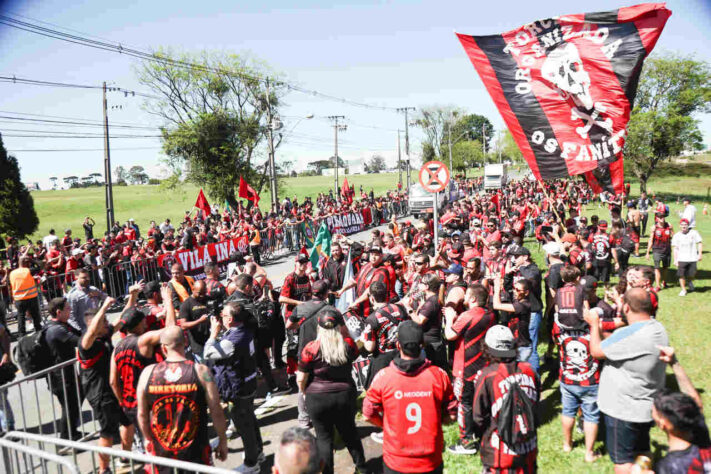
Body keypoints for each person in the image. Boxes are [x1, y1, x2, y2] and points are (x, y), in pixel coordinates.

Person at [584, 288, 669, 473]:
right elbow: (617, 344)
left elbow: (597, 351)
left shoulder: (631, 335)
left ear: (627, 308)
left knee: (623, 461)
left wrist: (593, 324)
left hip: (622, 410)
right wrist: (600, 330)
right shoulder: (656, 328)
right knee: (643, 450)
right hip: (646, 406)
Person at [363, 320, 457, 474]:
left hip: (396, 461)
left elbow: (367, 414)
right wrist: (435, 420)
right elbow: (452, 415)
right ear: (423, 344)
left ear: (398, 346)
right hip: (430, 461)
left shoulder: (383, 377)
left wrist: (384, 425)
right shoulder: (439, 375)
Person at [136, 326, 228, 472]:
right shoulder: (201, 371)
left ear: (163, 348)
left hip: (162, 452)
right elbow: (216, 409)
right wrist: (222, 440)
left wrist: (147, 439)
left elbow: (142, 414)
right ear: (185, 342)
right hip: (196, 453)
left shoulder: (148, 373)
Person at [79, 285, 146, 474]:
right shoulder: (86, 343)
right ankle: (103, 469)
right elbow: (92, 332)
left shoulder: (104, 334)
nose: (107, 323)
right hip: (100, 393)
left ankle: (126, 456)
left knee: (127, 423)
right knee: (107, 431)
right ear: (94, 324)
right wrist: (104, 307)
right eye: (102, 322)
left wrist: (132, 296)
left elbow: (122, 318)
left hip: (115, 389)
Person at [297, 308, 367, 474]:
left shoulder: (311, 348)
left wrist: (305, 392)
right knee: (350, 434)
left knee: (323, 438)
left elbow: (301, 378)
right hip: (344, 395)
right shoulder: (348, 344)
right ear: (339, 326)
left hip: (318, 398)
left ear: (319, 327)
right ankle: (362, 468)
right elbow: (358, 349)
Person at [204, 300, 265, 473]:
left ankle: (251, 463)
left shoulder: (232, 341)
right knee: (250, 420)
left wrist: (213, 334)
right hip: (248, 383)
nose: (220, 318)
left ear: (230, 319)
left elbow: (208, 353)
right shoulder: (245, 330)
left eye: (223, 315)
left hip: (238, 388)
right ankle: (258, 453)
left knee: (244, 426)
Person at [471, 325, 540, 473]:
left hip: (499, 456)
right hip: (528, 451)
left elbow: (478, 418)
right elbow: (535, 404)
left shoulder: (486, 376)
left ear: (487, 348)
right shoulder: (530, 370)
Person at [551, 265, 602, 463]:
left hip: (567, 375)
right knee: (591, 416)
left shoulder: (559, 327)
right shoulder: (592, 329)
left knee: (567, 410)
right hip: (590, 378)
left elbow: (556, 337)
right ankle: (589, 453)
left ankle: (567, 444)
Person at [110, 303, 168, 455]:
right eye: (143, 321)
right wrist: (168, 300)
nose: (145, 323)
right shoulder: (143, 341)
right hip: (148, 401)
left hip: (129, 403)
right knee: (156, 441)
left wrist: (122, 401)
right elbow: (171, 331)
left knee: (144, 441)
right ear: (137, 324)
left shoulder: (117, 347)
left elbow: (113, 381)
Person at [443, 284, 494, 455]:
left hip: (465, 367)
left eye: (466, 296)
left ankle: (466, 442)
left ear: (472, 299)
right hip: (484, 365)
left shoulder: (467, 315)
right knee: (481, 403)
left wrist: (450, 318)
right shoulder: (490, 314)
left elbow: (450, 335)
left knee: (464, 405)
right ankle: (483, 432)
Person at [45, 297, 83, 440]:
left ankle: (72, 433)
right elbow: (80, 341)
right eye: (67, 308)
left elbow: (79, 334)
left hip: (66, 373)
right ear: (59, 312)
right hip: (60, 376)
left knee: (72, 404)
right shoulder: (57, 330)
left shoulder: (63, 324)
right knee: (69, 406)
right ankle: (66, 439)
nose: (70, 310)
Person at [408, 273, 447, 369]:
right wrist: (420, 307)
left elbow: (420, 321)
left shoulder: (431, 302)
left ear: (426, 286)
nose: (419, 284)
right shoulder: (431, 300)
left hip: (432, 345)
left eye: (421, 283)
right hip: (431, 342)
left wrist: (408, 308)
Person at [492, 276, 532, 362]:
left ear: (526, 293)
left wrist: (496, 289)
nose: (514, 291)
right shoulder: (517, 301)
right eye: (514, 288)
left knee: (519, 372)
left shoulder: (523, 305)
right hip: (514, 345)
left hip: (522, 348)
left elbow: (496, 305)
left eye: (517, 290)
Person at [177, 279, 210, 361]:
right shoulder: (186, 304)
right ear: (193, 289)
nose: (202, 296)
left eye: (204, 293)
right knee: (203, 373)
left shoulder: (208, 299)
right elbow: (183, 325)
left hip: (211, 342)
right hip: (198, 346)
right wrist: (200, 321)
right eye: (199, 293)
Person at [9, 257, 42, 336]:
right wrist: (32, 260)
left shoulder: (12, 273)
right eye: (28, 262)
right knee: (35, 316)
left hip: (19, 299)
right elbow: (39, 266)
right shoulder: (28, 271)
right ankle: (39, 333)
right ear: (26, 262)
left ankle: (21, 335)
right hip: (31, 297)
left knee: (21, 317)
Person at [66, 268, 106, 333]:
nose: (87, 279)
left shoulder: (93, 289)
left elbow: (108, 299)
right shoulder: (73, 295)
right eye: (84, 277)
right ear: (76, 278)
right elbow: (71, 316)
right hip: (85, 329)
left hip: (98, 326)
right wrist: (79, 331)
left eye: (88, 277)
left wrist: (99, 294)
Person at [671, 218, 702, 296]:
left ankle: (690, 281)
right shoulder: (677, 236)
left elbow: (700, 243)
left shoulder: (694, 233)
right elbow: (675, 248)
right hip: (681, 258)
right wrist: (675, 259)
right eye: (682, 225)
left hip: (692, 258)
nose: (684, 226)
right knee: (681, 274)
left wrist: (700, 254)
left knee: (692, 273)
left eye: (685, 225)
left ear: (688, 226)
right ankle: (683, 290)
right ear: (679, 226)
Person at [646, 212, 673, 291]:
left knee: (665, 267)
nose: (662, 219)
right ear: (657, 218)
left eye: (663, 217)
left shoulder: (669, 226)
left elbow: (673, 236)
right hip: (657, 250)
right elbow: (650, 240)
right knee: (657, 268)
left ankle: (664, 282)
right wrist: (647, 252)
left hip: (667, 250)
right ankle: (658, 285)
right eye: (660, 217)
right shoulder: (654, 228)